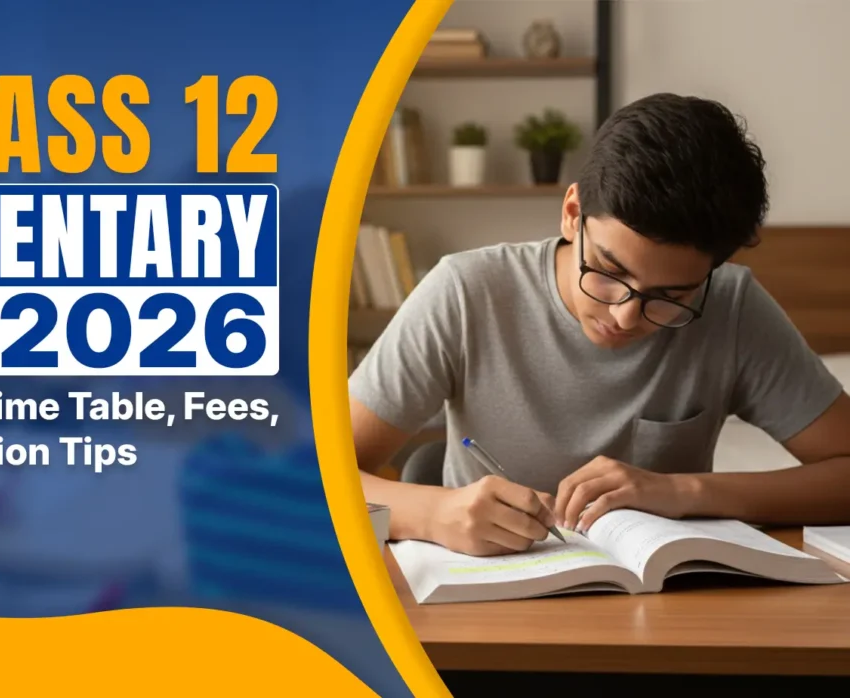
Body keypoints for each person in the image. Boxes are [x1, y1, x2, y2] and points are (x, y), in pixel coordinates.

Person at [349, 93, 850, 557]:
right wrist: (432, 514)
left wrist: (682, 491)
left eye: (671, 297)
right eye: (609, 273)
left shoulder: (733, 307)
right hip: (486, 602)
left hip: (670, 612)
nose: (625, 316)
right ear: (572, 214)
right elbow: (303, 475)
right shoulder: (465, 292)